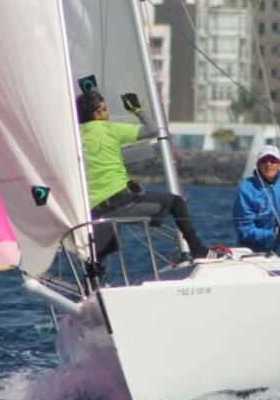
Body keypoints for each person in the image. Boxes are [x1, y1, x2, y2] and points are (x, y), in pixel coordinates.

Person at [77, 90, 207, 270]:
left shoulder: (75, 137)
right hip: (118, 202)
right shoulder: (109, 128)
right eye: (105, 110)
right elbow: (153, 130)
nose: (107, 114)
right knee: (176, 202)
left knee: (101, 252)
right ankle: (199, 250)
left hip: (93, 211)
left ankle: (91, 286)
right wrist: (137, 109)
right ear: (97, 114)